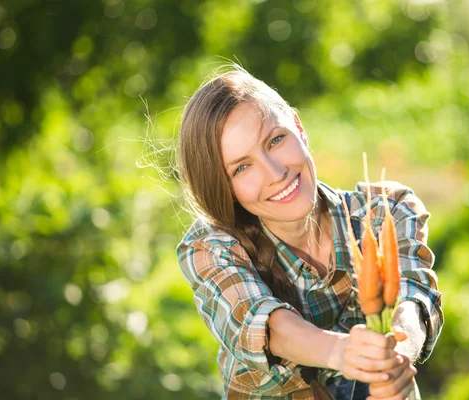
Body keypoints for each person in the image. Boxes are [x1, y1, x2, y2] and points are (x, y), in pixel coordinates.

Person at [176, 66, 443, 400]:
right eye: (242, 167)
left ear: (299, 129)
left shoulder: (384, 211)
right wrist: (342, 352)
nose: (275, 173)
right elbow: (265, 326)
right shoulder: (211, 247)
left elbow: (413, 297)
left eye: (275, 140)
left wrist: (398, 354)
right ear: (225, 188)